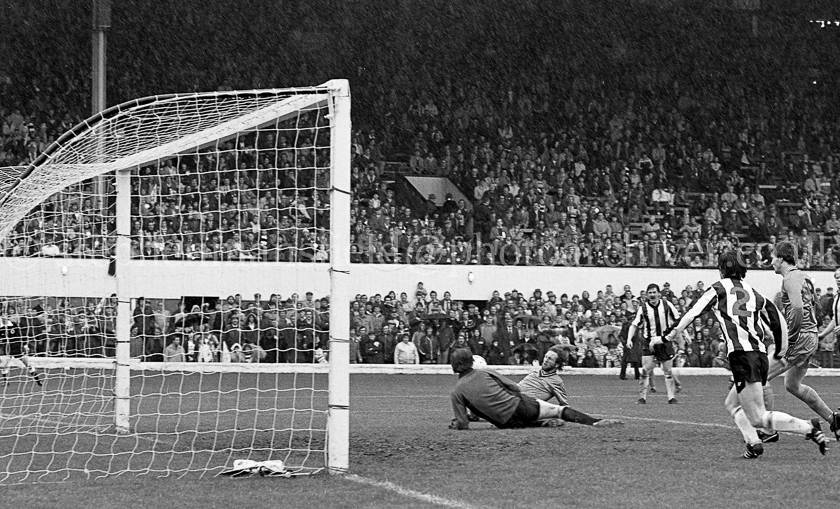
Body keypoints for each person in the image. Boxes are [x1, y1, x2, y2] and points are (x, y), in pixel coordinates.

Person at [665, 250, 827, 458]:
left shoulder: (718, 288)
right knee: (731, 403)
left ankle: (809, 427)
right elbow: (777, 319)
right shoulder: (753, 291)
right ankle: (753, 443)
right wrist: (780, 350)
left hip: (742, 355)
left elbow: (691, 314)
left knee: (758, 416)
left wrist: (667, 336)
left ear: (722, 269)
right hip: (759, 354)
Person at [448, 348, 622, 430]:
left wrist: (458, 423)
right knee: (558, 411)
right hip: (520, 405)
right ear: (472, 361)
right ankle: (594, 422)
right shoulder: (486, 372)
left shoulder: (456, 392)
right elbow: (513, 387)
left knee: (515, 423)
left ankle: (540, 423)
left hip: (504, 422)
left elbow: (463, 424)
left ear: (454, 366)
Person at [627, 284, 682, 404]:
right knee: (645, 370)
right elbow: (634, 324)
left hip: (664, 341)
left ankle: (671, 397)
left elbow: (679, 321)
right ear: (647, 295)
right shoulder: (643, 308)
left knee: (667, 370)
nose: (652, 295)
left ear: (658, 294)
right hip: (649, 342)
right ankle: (642, 397)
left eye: (654, 292)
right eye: (650, 293)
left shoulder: (667, 305)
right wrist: (629, 339)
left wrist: (684, 335)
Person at [0, 314, 43, 386]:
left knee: (28, 364)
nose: (4, 318)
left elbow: (21, 335)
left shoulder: (13, 325)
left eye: (5, 316)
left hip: (17, 348)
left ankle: (38, 380)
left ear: (7, 317)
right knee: (3, 366)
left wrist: (25, 345)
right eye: (2, 317)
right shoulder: (1, 328)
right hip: (7, 349)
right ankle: (5, 382)